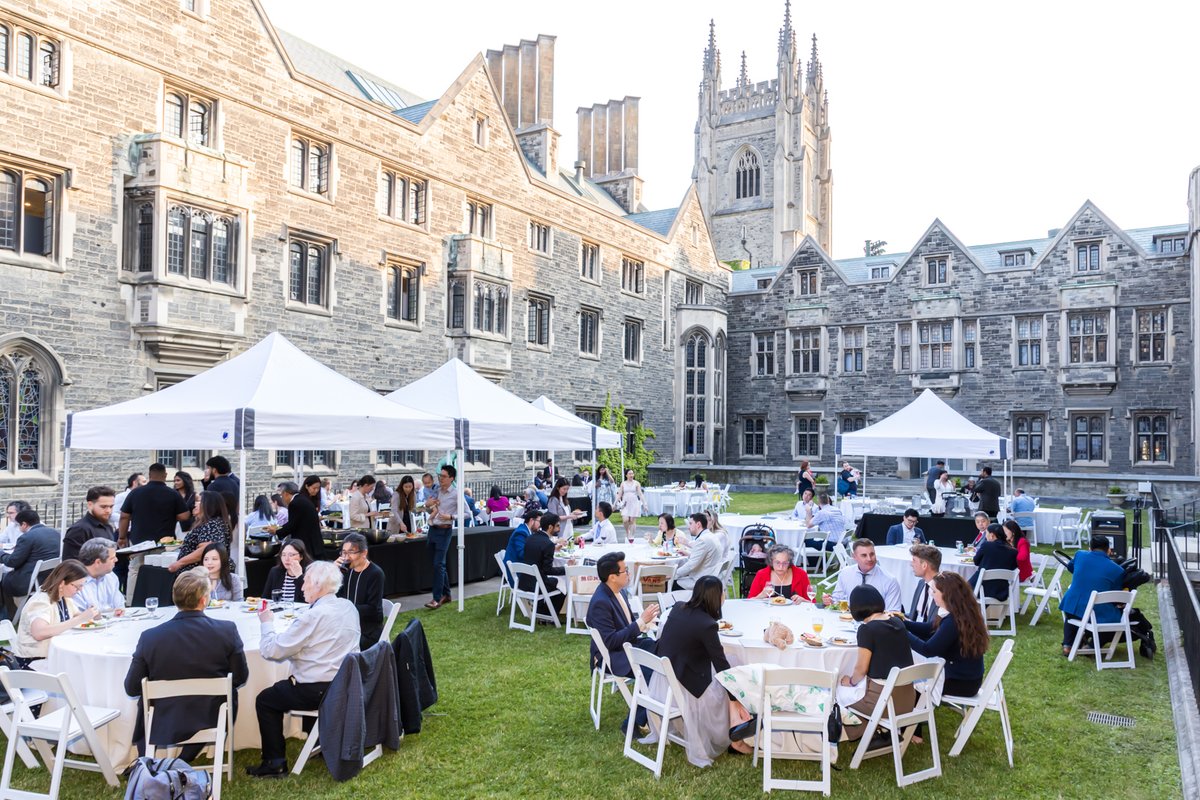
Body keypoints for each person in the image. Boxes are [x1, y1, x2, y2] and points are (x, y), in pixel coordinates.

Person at [248, 561, 360, 777]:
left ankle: (274, 763)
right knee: (299, 678)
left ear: (318, 585)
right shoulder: (348, 606)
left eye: (306, 582)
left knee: (266, 699)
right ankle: (318, 740)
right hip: (346, 683)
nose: (301, 587)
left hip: (319, 689)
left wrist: (266, 622)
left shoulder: (313, 616)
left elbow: (272, 650)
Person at [124, 568, 249, 758]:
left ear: (175, 599)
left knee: (145, 697)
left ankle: (148, 760)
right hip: (209, 714)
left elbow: (132, 688)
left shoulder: (150, 637)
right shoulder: (226, 631)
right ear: (203, 600)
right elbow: (240, 678)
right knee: (228, 692)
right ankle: (183, 759)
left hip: (163, 715)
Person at [652, 576, 753, 764]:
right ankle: (736, 736)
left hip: (665, 677)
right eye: (722, 592)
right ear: (716, 597)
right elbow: (721, 665)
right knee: (736, 674)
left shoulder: (678, 608)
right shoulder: (707, 624)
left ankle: (736, 731)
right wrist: (736, 700)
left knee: (736, 662)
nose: (724, 595)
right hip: (687, 685)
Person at [585, 551, 660, 732]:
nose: (628, 574)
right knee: (654, 671)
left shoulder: (619, 591)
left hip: (628, 645)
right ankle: (633, 723)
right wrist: (640, 622)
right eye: (625, 571)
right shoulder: (600, 602)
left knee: (665, 650)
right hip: (612, 656)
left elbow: (626, 624)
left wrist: (645, 623)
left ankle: (653, 712)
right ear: (612, 577)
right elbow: (611, 641)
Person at [839, 585, 915, 741]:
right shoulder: (897, 622)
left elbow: (861, 669)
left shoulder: (867, 630)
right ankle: (875, 732)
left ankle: (845, 734)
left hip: (881, 703)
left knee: (839, 690)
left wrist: (850, 681)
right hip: (907, 699)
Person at [904, 572, 989, 698]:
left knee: (907, 666)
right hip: (969, 678)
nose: (931, 594)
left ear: (946, 594)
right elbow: (930, 628)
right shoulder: (962, 612)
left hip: (961, 683)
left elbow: (928, 650)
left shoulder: (953, 621)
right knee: (913, 662)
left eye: (934, 591)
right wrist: (904, 623)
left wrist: (901, 632)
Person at [119, 463, 189, 602]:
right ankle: (160, 600)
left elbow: (124, 516)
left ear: (149, 475)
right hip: (163, 541)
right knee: (161, 571)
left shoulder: (135, 492)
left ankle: (132, 602)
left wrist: (122, 537)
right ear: (165, 476)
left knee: (135, 571)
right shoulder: (172, 494)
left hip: (138, 540)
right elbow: (184, 516)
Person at [14, 560, 98, 660]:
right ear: (62, 583)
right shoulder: (41, 601)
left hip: (55, 655)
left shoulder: (64, 598)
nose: (80, 590)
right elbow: (39, 633)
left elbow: (79, 617)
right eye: (77, 586)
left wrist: (94, 614)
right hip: (35, 660)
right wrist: (80, 619)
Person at [1059, 535, 1126, 656]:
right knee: (1116, 619)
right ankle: (1091, 646)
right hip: (1098, 613)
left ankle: (1067, 645)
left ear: (1090, 548)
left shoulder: (1080, 555)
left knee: (1071, 616)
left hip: (1073, 606)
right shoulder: (1117, 570)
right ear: (1109, 550)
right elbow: (1115, 594)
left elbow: (1070, 567)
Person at [1, 508, 63, 616]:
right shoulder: (55, 533)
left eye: (19, 525)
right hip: (52, 578)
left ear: (24, 524)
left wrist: (1, 553)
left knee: (3, 579)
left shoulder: (27, 537)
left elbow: (12, 562)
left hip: (32, 581)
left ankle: (10, 615)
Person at [336, 532, 386, 650]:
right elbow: (333, 596)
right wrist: (332, 573)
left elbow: (373, 610)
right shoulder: (345, 570)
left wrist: (346, 608)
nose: (346, 557)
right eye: (344, 552)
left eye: (351, 552)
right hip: (347, 626)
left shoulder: (375, 574)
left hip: (367, 631)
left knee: (333, 647)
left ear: (364, 553)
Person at [825, 538, 903, 612]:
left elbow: (893, 613)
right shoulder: (845, 573)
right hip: (847, 620)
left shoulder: (889, 580)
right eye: (864, 555)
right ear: (854, 557)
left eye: (872, 554)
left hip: (877, 624)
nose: (869, 559)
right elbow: (837, 600)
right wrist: (829, 600)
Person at [168, 491, 232, 573]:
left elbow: (206, 549)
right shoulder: (210, 523)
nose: (195, 504)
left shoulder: (212, 524)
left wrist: (179, 563)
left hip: (201, 576)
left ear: (209, 505)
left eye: (199, 501)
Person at [424, 464, 459, 609]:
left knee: (438, 564)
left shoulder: (456, 494)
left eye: (444, 476)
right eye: (440, 476)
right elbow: (427, 508)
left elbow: (468, 514)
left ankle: (436, 598)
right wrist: (428, 504)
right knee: (438, 564)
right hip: (433, 529)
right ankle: (447, 594)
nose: (441, 479)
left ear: (451, 478)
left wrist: (451, 516)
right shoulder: (437, 490)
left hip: (445, 531)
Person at [520, 512, 568, 615]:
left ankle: (542, 611)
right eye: (557, 526)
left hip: (524, 581)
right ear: (550, 527)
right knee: (563, 584)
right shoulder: (548, 544)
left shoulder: (530, 538)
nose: (559, 529)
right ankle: (549, 615)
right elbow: (548, 570)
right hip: (537, 584)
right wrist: (566, 568)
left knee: (555, 581)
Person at [269, 481, 325, 561]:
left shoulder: (295, 503)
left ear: (286, 493)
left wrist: (276, 531)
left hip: (307, 543)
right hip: (314, 542)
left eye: (281, 496)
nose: (282, 499)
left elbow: (292, 525)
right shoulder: (302, 499)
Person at [671, 513, 725, 591]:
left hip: (701, 581)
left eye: (690, 524)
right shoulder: (711, 536)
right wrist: (689, 554)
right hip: (710, 577)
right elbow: (705, 558)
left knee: (670, 583)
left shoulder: (702, 540)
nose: (688, 527)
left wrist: (672, 574)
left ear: (698, 524)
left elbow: (691, 565)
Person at [62, 486, 116, 561]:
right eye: (103, 507)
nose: (108, 511)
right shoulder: (79, 529)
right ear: (90, 505)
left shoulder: (108, 526)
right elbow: (71, 563)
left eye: (111, 506)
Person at [969, 523, 1019, 602]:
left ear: (992, 535)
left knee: (961, 589)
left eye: (986, 533)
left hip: (980, 588)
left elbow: (976, 561)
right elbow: (1013, 567)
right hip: (1001, 591)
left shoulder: (987, 545)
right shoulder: (1013, 551)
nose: (985, 536)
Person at [74, 538, 126, 614]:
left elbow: (119, 606)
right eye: (112, 558)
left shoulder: (111, 577)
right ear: (98, 562)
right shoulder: (76, 583)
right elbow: (79, 617)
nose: (116, 560)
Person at [748, 544, 812, 602]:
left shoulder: (801, 574)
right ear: (771, 561)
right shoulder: (761, 574)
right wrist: (761, 595)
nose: (781, 567)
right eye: (777, 562)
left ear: (789, 562)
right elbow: (749, 602)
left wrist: (803, 600)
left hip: (794, 613)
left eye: (785, 563)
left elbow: (812, 603)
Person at [263, 538, 312, 605]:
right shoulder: (275, 572)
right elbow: (265, 598)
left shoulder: (311, 572)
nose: (286, 559)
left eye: (291, 555)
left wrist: (299, 576)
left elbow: (309, 600)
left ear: (301, 556)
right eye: (283, 555)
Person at [503, 507, 541, 583]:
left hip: (519, 568)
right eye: (539, 521)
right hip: (515, 573)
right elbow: (522, 554)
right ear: (531, 521)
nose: (540, 525)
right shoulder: (521, 533)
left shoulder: (526, 531)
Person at [906, 544, 942, 624]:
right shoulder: (921, 583)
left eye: (914, 560)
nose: (911, 564)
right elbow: (913, 615)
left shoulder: (943, 589)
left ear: (924, 565)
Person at [112, 473, 147, 539]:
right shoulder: (121, 496)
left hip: (138, 534)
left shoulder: (142, 497)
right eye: (144, 482)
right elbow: (112, 514)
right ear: (135, 483)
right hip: (123, 534)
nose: (146, 484)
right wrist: (129, 519)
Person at [615, 469, 645, 543]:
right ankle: (627, 532)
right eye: (629, 474)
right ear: (626, 475)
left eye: (632, 473)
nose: (631, 475)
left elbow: (640, 494)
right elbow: (619, 494)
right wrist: (614, 503)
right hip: (625, 503)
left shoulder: (636, 483)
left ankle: (632, 535)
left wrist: (645, 503)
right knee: (625, 520)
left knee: (632, 520)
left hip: (634, 503)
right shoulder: (623, 483)